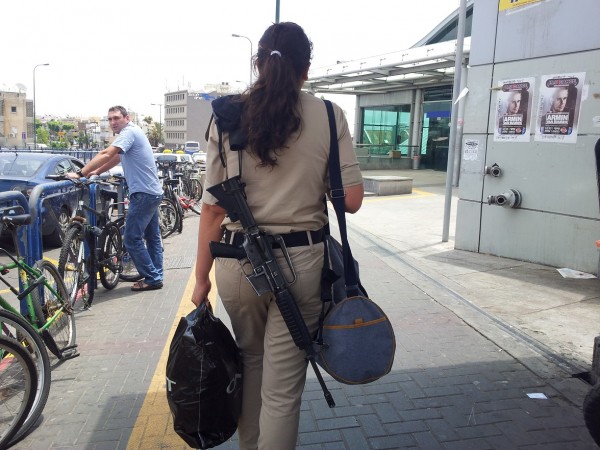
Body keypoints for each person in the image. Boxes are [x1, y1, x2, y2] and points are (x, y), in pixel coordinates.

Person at [191, 22, 364, 450]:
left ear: (258, 64)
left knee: (250, 365)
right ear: (307, 68)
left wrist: (200, 280)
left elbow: (212, 208)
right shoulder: (328, 114)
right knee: (282, 390)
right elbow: (353, 200)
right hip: (303, 264)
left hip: (236, 263)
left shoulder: (227, 115)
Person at [67, 105, 164, 292]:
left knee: (131, 239)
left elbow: (106, 153)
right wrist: (95, 172)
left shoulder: (128, 133)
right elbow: (116, 159)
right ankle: (156, 275)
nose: (112, 122)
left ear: (126, 118)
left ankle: (152, 278)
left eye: (116, 118)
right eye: (110, 119)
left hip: (144, 194)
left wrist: (80, 173)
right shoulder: (133, 133)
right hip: (152, 192)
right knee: (152, 238)